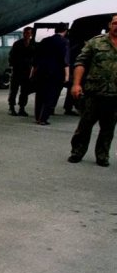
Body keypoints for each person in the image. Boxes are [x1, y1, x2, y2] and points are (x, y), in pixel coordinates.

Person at [68, 14, 117, 167]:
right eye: (115, 23)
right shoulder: (96, 42)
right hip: (93, 93)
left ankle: (102, 155)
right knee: (85, 125)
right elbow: (80, 63)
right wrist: (76, 84)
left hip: (114, 95)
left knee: (108, 128)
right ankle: (77, 152)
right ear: (110, 25)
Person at [31, 23, 69, 125]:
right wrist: (67, 75)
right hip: (55, 73)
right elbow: (65, 60)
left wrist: (33, 72)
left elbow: (36, 58)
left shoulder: (45, 40)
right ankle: (43, 118)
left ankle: (37, 117)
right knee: (51, 95)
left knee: (40, 95)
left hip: (41, 71)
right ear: (65, 31)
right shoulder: (64, 42)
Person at [8, 27, 36, 116]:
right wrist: (13, 65)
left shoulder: (33, 44)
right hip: (17, 70)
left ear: (31, 34)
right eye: (25, 33)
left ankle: (22, 108)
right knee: (14, 90)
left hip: (27, 71)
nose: (26, 35)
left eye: (28, 33)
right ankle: (11, 107)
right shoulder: (17, 44)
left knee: (24, 91)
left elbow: (35, 57)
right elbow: (11, 56)